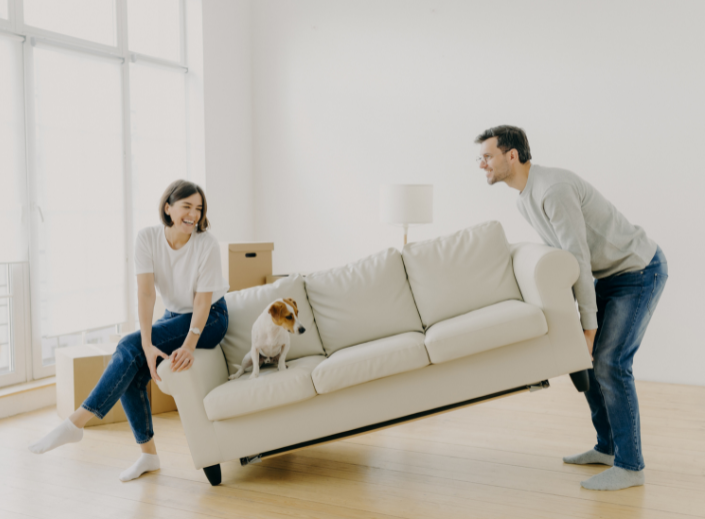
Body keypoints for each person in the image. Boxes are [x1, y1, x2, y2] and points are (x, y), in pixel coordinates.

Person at [475, 125, 667, 491]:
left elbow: (576, 256)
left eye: (487, 156)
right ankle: (608, 447)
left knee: (610, 362)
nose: (482, 164)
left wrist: (589, 328)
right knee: (587, 360)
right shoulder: (525, 198)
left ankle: (631, 465)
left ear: (511, 155)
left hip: (639, 271)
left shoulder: (552, 190)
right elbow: (565, 258)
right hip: (609, 276)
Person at [29, 179, 230, 482]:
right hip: (175, 315)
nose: (193, 214)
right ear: (168, 207)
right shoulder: (147, 238)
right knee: (135, 362)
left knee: (126, 346)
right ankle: (148, 455)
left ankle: (76, 423)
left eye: (199, 208)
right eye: (186, 206)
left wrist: (189, 345)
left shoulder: (206, 244)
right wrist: (147, 344)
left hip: (211, 318)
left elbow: (202, 302)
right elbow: (146, 294)